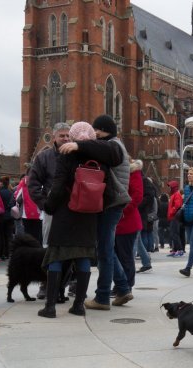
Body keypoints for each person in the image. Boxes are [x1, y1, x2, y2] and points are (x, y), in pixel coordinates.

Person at [39, 122, 111, 318]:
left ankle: (50, 307)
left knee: (55, 255)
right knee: (83, 257)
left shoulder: (67, 155)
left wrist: (49, 206)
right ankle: (78, 305)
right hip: (89, 215)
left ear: (72, 137)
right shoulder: (100, 156)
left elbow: (58, 185)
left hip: (65, 212)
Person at [59, 114, 127, 311]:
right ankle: (122, 288)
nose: (93, 135)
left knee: (104, 251)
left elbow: (105, 150)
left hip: (111, 203)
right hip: (113, 203)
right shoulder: (112, 144)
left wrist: (80, 146)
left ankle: (103, 297)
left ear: (102, 130)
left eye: (96, 131)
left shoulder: (114, 145)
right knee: (106, 249)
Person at [28, 122, 71, 246]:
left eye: (68, 135)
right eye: (62, 136)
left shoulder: (75, 155)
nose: (66, 138)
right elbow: (33, 184)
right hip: (53, 209)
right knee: (50, 246)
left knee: (71, 246)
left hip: (73, 208)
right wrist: (45, 205)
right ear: (54, 137)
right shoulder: (44, 157)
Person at [110, 159, 144, 306]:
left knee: (125, 257)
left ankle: (127, 286)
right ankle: (120, 285)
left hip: (127, 222)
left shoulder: (133, 171)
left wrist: (122, 211)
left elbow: (137, 196)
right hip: (116, 222)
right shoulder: (115, 171)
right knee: (116, 256)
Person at [136, 172, 158, 273]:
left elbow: (150, 196)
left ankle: (128, 265)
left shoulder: (143, 180)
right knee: (137, 240)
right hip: (139, 213)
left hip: (139, 213)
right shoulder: (140, 179)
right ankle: (146, 263)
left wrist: (137, 204)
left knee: (135, 239)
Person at [166, 180, 184, 257]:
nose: (169, 188)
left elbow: (177, 205)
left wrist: (171, 212)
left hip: (174, 217)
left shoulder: (176, 194)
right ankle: (175, 250)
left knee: (175, 234)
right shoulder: (174, 194)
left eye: (170, 186)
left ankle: (179, 250)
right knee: (173, 234)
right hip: (173, 217)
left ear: (173, 187)